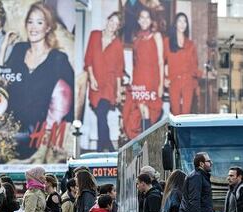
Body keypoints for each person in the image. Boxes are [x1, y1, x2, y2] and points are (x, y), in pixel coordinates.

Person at [0, 1, 74, 162]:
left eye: (39, 22)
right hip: (10, 130)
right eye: (30, 21)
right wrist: (4, 47)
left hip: (36, 137)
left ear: (48, 27)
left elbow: (70, 101)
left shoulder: (59, 59)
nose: (33, 27)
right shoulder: (18, 49)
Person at [84, 12, 124, 152]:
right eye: (111, 21)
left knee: (101, 113)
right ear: (107, 20)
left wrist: (118, 91)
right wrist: (92, 78)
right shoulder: (94, 35)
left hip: (109, 85)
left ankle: (101, 149)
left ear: (118, 27)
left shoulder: (118, 44)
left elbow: (119, 70)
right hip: (95, 81)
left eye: (116, 24)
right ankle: (110, 148)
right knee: (101, 116)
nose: (112, 25)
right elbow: (88, 59)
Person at [123, 8, 163, 137]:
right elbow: (135, 63)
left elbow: (161, 61)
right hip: (139, 80)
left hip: (152, 80)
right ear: (138, 20)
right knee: (141, 110)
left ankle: (148, 142)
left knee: (151, 112)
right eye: (142, 17)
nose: (145, 20)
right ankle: (146, 143)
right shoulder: (136, 39)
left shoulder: (157, 36)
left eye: (147, 17)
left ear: (151, 21)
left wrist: (161, 84)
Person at [164, 13, 200, 115]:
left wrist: (204, 74)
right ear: (175, 23)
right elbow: (161, 62)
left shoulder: (190, 44)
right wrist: (163, 78)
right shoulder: (167, 42)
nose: (182, 24)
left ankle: (184, 131)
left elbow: (194, 67)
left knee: (186, 113)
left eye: (185, 21)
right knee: (175, 113)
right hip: (173, 82)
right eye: (180, 21)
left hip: (188, 82)